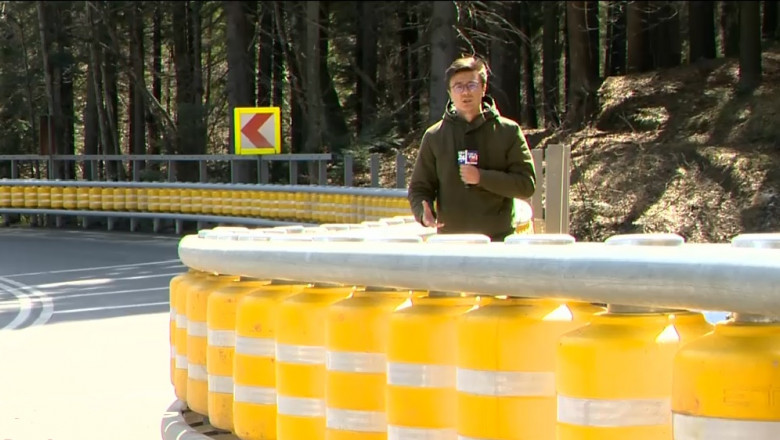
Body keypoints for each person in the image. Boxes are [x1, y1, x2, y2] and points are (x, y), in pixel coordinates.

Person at [407, 55, 537, 242]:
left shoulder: (508, 131)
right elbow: (419, 188)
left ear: (483, 88)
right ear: (450, 92)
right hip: (450, 242)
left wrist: (481, 177)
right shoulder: (435, 136)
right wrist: (422, 212)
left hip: (497, 241)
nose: (465, 92)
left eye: (471, 85)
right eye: (458, 86)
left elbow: (526, 185)